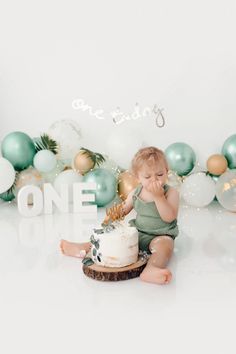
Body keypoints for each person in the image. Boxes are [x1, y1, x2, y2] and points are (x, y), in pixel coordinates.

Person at [60, 146, 179, 285]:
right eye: (147, 176)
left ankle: (152, 268)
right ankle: (81, 248)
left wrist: (159, 198)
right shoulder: (136, 192)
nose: (154, 180)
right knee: (109, 242)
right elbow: (123, 210)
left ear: (166, 172)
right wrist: (113, 216)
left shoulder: (171, 193)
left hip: (161, 235)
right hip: (138, 233)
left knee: (164, 248)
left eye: (159, 174)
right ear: (138, 178)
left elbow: (169, 217)